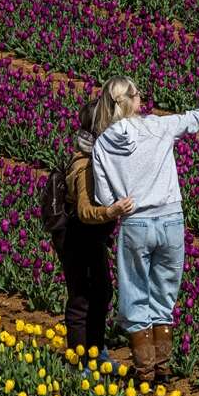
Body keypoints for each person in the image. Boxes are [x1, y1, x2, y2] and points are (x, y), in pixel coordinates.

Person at [91, 70, 199, 385]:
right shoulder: (158, 126)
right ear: (133, 100)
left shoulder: (102, 144)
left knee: (135, 292)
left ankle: (144, 372)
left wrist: (119, 202)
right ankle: (162, 370)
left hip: (135, 222)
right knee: (164, 295)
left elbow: (104, 198)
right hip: (170, 220)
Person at [58, 98, 134, 361]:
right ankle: (80, 360)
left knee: (101, 292)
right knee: (82, 297)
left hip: (94, 237)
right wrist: (111, 212)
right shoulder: (85, 165)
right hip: (78, 235)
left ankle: (96, 349)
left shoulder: (100, 157)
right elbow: (84, 211)